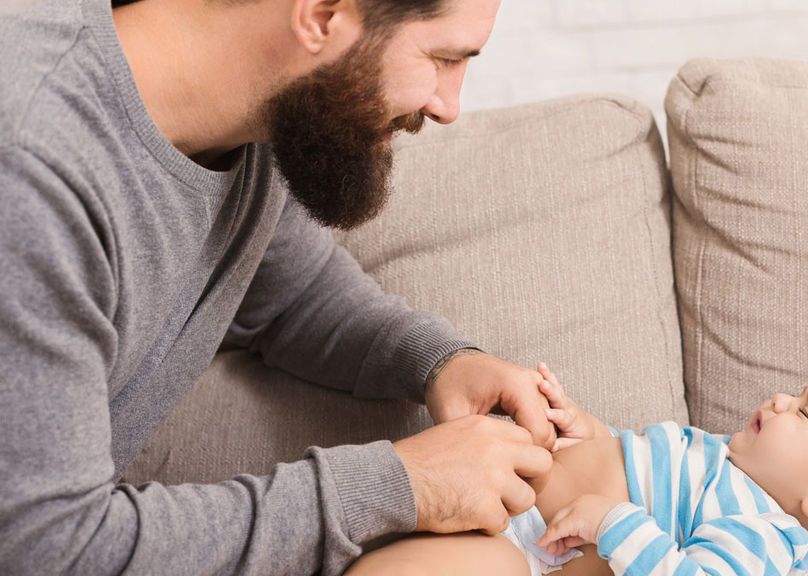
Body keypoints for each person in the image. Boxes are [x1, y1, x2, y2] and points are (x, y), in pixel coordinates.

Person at [0, 0, 564, 573]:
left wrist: (439, 363)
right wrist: (401, 487)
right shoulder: (28, 164)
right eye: (442, 57)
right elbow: (48, 550)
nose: (448, 107)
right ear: (320, 16)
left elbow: (293, 294)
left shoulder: (256, 123)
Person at [347, 371, 808, 575]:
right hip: (506, 495)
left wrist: (613, 522)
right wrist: (588, 430)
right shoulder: (720, 456)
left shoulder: (762, 530)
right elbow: (632, 462)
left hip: (530, 553)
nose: (782, 400)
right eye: (800, 393)